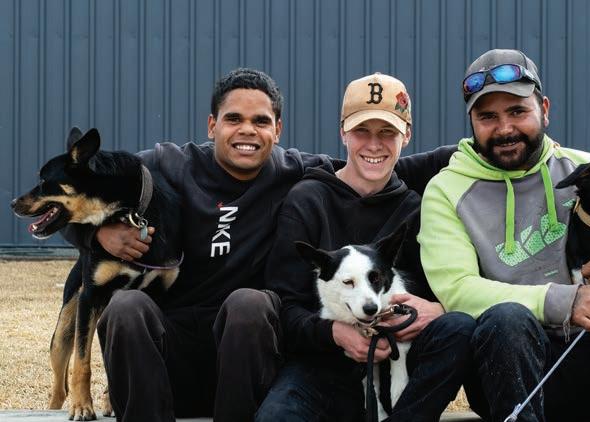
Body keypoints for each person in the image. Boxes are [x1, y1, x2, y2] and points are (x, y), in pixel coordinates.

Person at [62, 68, 456, 422]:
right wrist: (94, 235)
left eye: (261, 121)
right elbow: (69, 191)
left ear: (277, 130)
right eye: (234, 119)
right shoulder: (167, 163)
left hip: (243, 341)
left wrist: (482, 147)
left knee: (250, 302)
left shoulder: (294, 170)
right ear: (212, 124)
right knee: (125, 306)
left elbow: (377, 166)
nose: (247, 130)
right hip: (169, 337)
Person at [418, 49, 590, 421]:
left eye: (517, 111)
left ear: (544, 109)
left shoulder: (587, 170)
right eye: (487, 116)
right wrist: (562, 301)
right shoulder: (447, 191)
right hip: (513, 362)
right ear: (472, 122)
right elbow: (458, 289)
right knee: (507, 319)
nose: (504, 128)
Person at [256, 73, 475, 422]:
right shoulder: (307, 200)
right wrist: (335, 333)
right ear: (343, 132)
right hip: (323, 362)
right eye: (362, 131)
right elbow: (286, 306)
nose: (374, 145)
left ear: (407, 134)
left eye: (387, 132)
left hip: (400, 361)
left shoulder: (419, 208)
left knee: (457, 328)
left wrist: (432, 309)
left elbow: (443, 287)